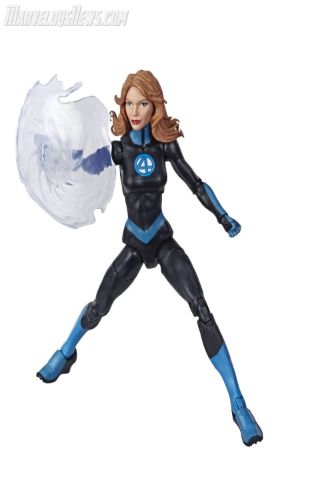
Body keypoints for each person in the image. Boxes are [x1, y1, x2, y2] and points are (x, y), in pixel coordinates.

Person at [37, 70, 263, 446]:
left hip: (161, 239)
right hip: (134, 243)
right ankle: (65, 354)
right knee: (99, 306)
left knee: (202, 309)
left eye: (142, 103)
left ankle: (238, 404)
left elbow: (196, 184)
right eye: (129, 103)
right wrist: (58, 159)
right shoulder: (120, 149)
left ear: (154, 105)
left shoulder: (164, 148)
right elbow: (85, 164)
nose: (135, 110)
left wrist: (223, 217)